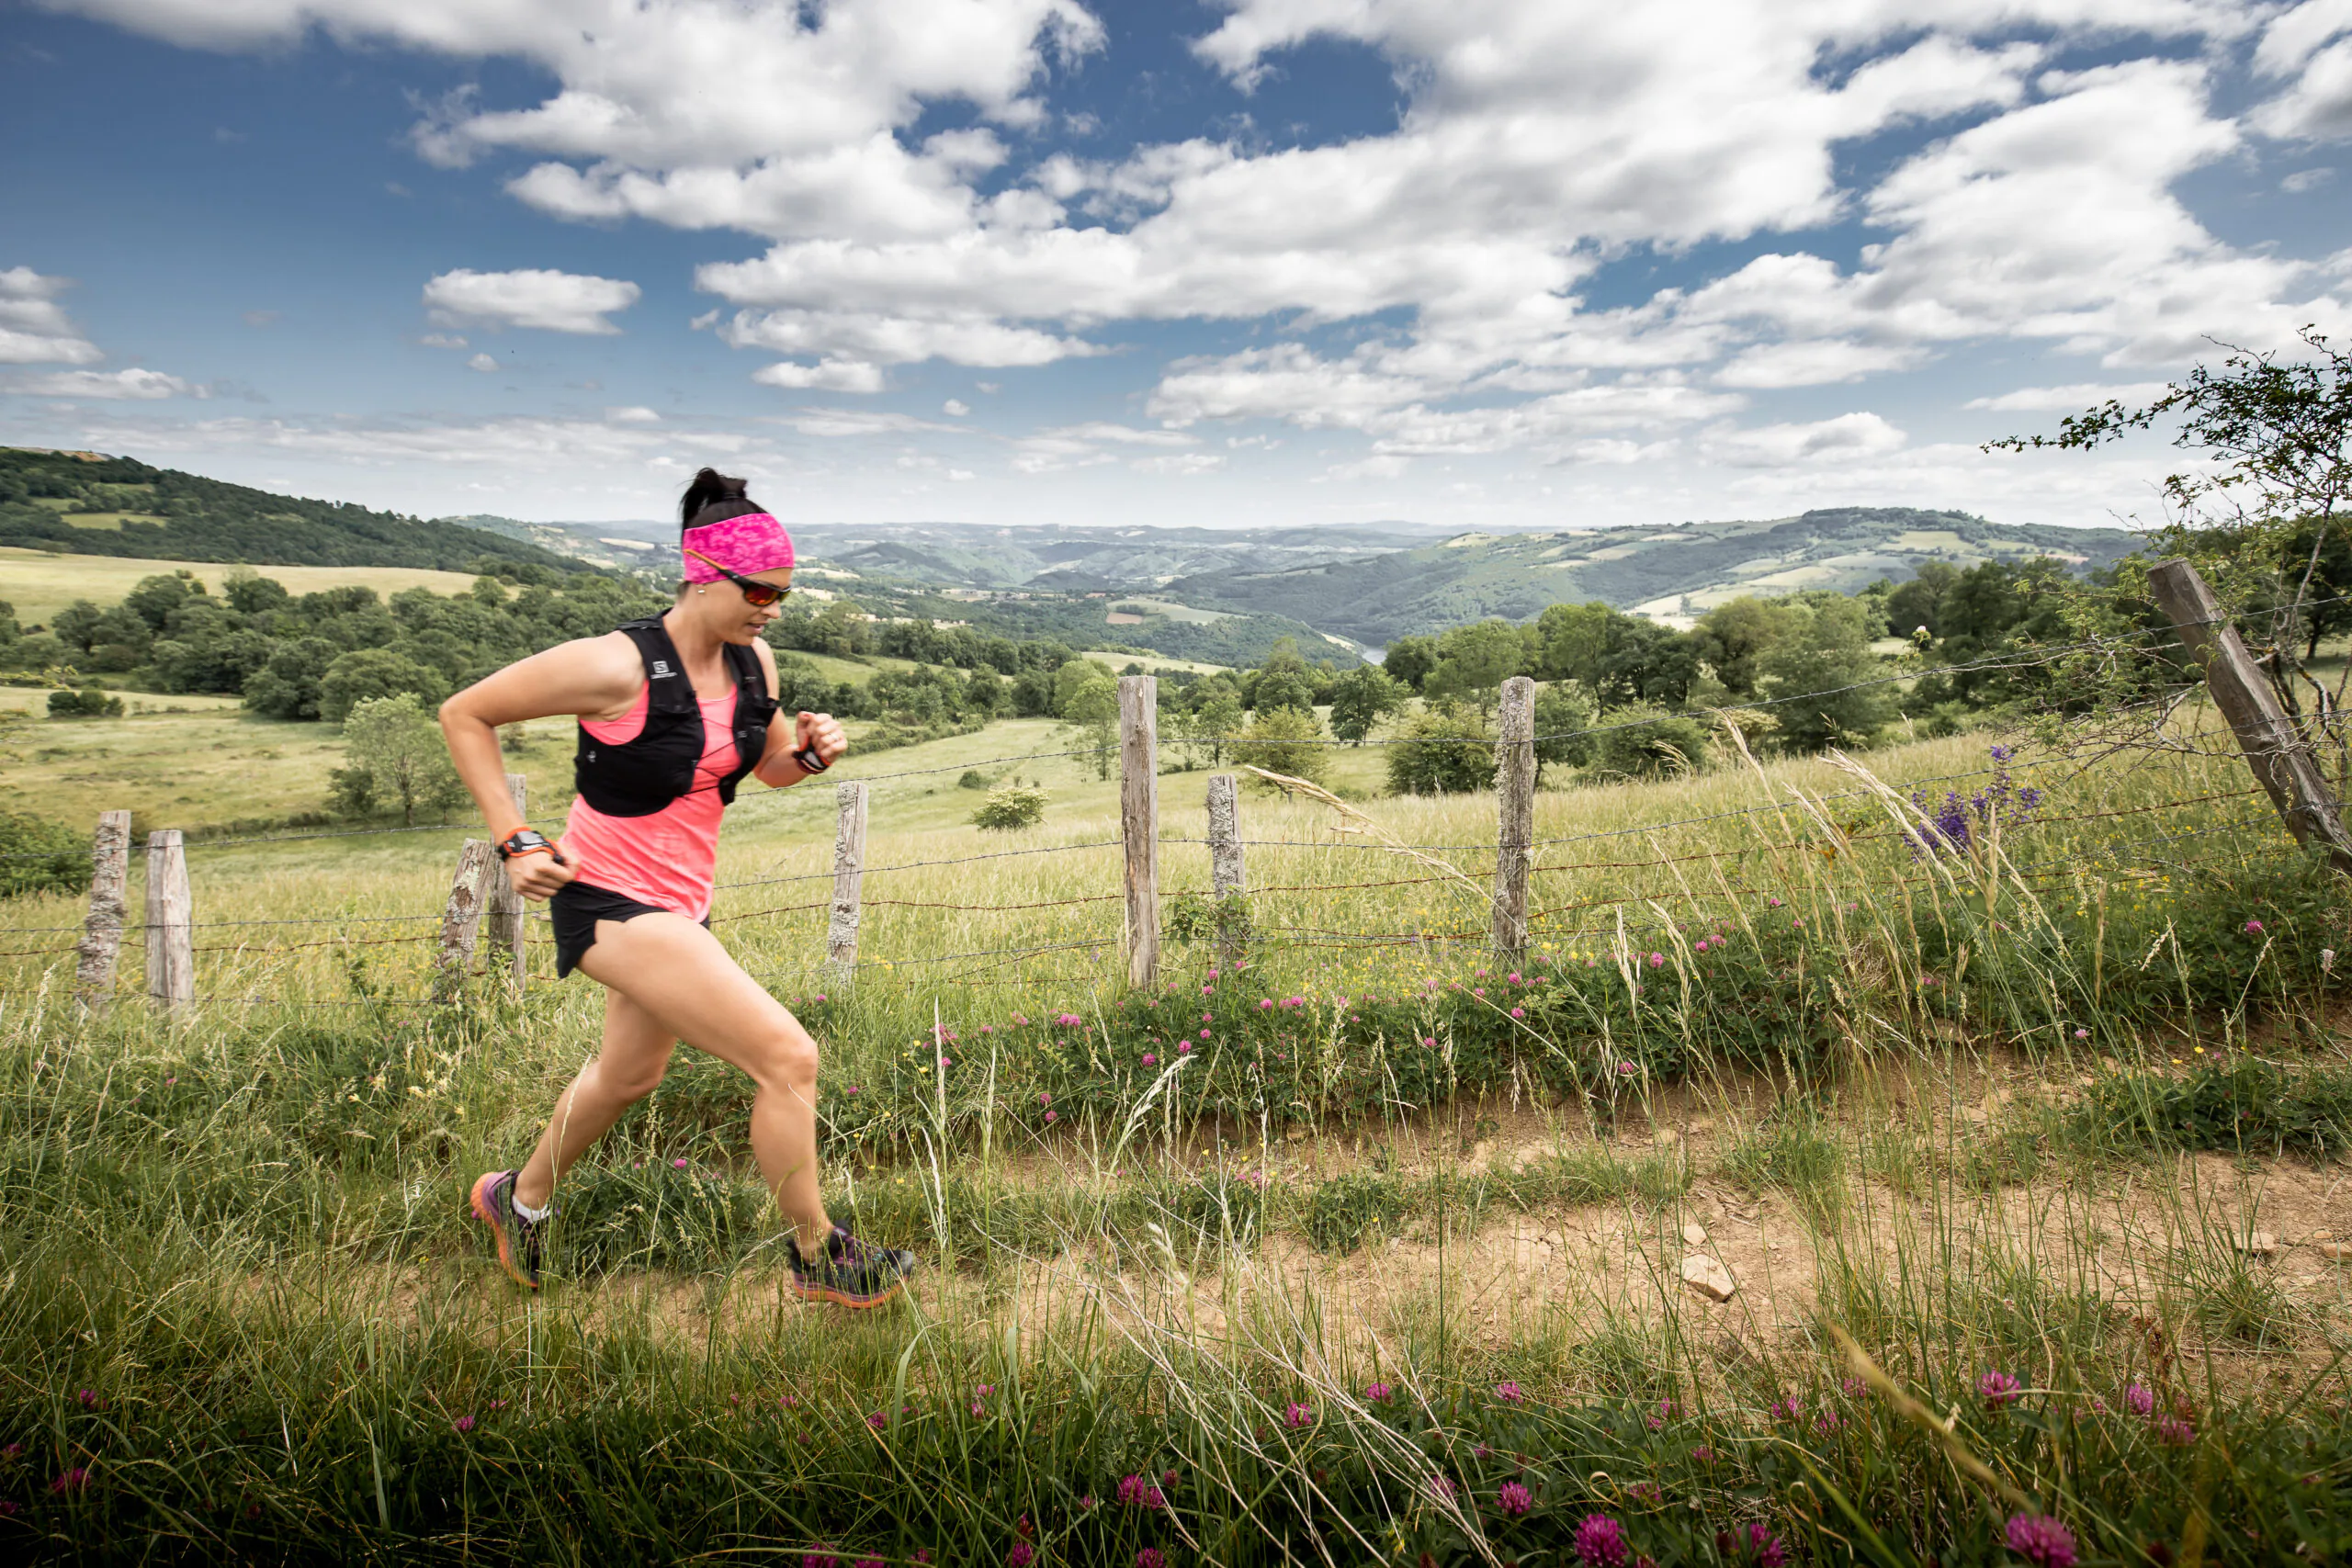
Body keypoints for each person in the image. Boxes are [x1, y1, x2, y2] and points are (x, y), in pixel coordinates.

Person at [438, 468, 913, 1308]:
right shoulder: (613, 666)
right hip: (609, 902)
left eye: (784, 593)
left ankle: (515, 1199)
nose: (772, 606)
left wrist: (809, 754)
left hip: (684, 903)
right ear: (704, 572)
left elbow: (762, 769)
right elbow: (464, 713)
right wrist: (515, 837)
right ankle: (817, 1253)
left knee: (626, 1078)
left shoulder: (752, 661)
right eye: (759, 589)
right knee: (788, 1056)